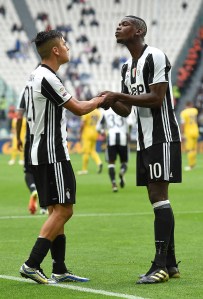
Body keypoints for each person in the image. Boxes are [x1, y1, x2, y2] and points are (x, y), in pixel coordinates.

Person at [100, 16, 182, 284]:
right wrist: (110, 102)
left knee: (159, 196)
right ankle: (169, 264)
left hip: (163, 135)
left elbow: (157, 99)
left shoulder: (155, 56)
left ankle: (159, 265)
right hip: (144, 140)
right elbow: (126, 111)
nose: (118, 27)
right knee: (155, 197)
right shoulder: (126, 67)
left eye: (124, 24)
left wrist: (118, 95)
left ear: (139, 30)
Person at [19, 30, 104, 284]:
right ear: (55, 50)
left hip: (40, 151)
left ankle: (59, 268)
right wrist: (102, 99)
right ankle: (32, 264)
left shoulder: (36, 75)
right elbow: (78, 108)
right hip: (52, 152)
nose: (67, 47)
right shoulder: (48, 77)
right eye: (64, 44)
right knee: (65, 210)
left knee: (56, 210)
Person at [16, 89, 47, 215]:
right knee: (45, 171)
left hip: (30, 138)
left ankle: (33, 189)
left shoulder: (26, 91)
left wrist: (18, 137)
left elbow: (19, 117)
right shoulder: (49, 88)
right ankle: (45, 207)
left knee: (29, 172)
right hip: (47, 138)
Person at [96, 107, 133, 192]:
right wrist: (129, 133)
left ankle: (114, 185)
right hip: (123, 136)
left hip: (111, 137)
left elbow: (98, 127)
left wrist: (102, 132)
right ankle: (122, 171)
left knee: (111, 163)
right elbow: (130, 123)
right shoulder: (125, 109)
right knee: (124, 161)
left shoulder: (106, 112)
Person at [77, 109, 103, 175]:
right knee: (92, 150)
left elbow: (83, 123)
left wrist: (80, 133)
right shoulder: (98, 112)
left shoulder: (87, 110)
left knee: (85, 152)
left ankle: (84, 169)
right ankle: (99, 162)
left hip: (87, 133)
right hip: (95, 133)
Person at [180, 101, 199, 171]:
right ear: (191, 105)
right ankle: (193, 164)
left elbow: (182, 124)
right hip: (195, 131)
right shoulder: (194, 110)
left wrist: (182, 133)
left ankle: (191, 166)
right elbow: (196, 120)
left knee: (189, 149)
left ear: (186, 105)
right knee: (194, 149)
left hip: (188, 132)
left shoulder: (183, 113)